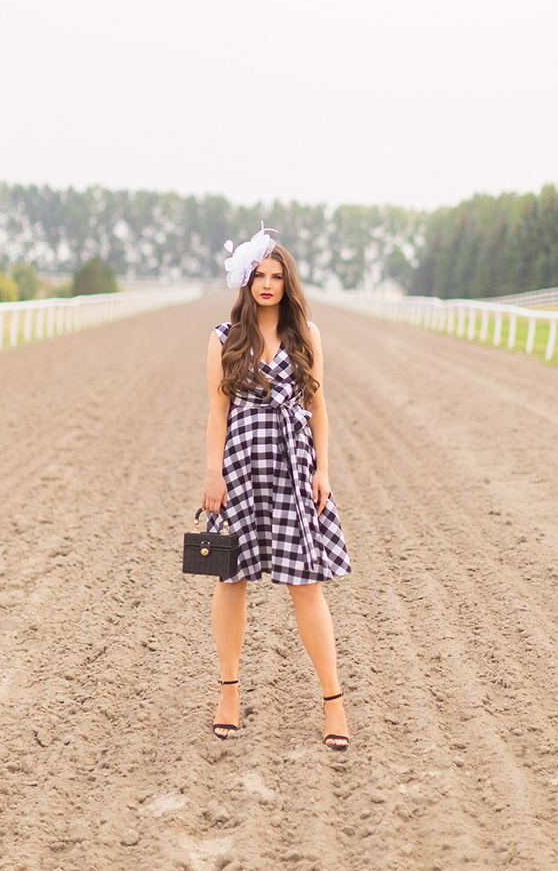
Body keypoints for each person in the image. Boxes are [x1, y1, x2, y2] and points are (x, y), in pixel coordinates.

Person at [201, 225, 351, 750]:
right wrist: (212, 473)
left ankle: (333, 701)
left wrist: (323, 470)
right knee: (230, 580)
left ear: (288, 283)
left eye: (277, 276)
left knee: (305, 585)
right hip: (241, 467)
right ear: (246, 281)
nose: (267, 284)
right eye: (259, 275)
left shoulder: (305, 334)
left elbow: (318, 405)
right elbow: (218, 411)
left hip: (294, 467)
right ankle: (228, 692)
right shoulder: (225, 337)